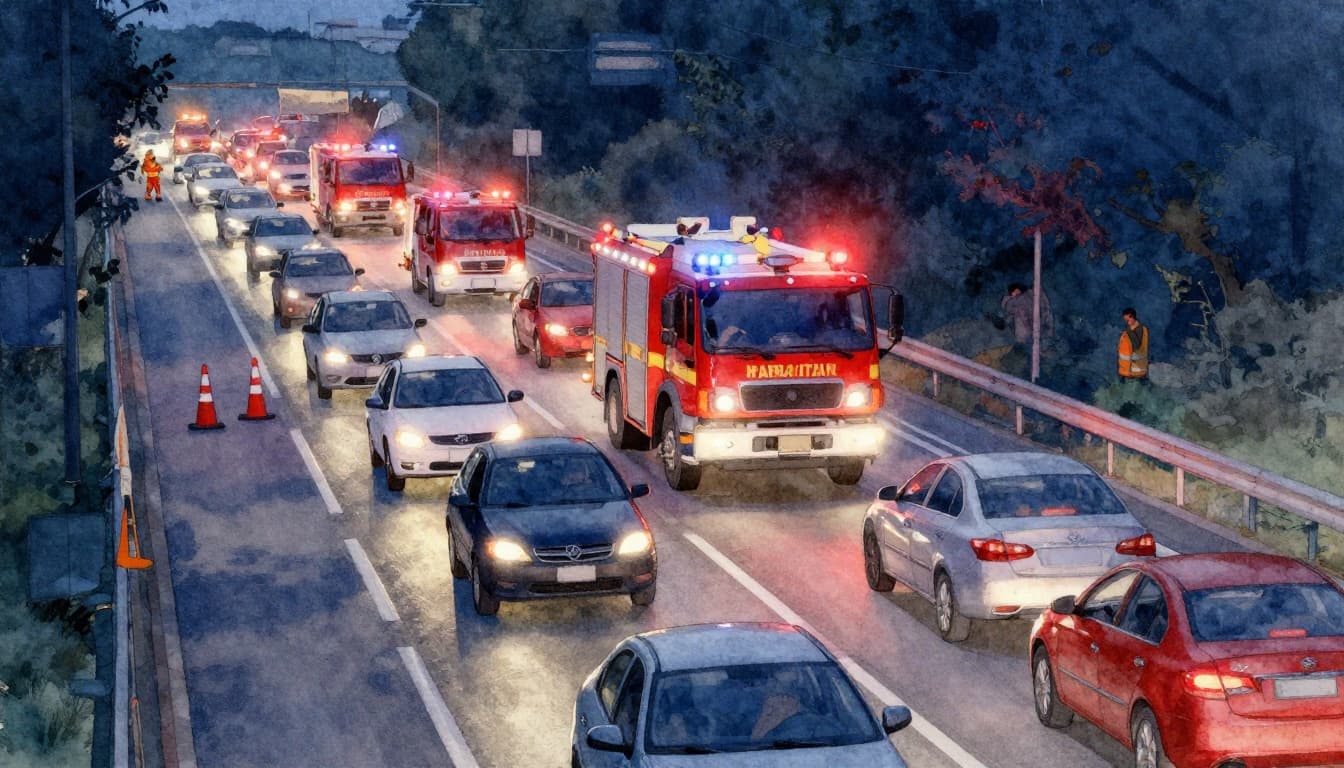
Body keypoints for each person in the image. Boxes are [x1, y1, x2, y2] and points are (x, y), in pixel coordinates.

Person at [1000, 283, 1054, 347]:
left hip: (1035, 333)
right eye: (1013, 292)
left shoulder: (1029, 296)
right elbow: (1009, 312)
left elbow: (1044, 307)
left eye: (1017, 290)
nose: (1016, 293)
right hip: (1025, 337)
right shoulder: (1012, 303)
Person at [1118, 307, 1150, 383]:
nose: (1127, 323)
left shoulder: (1138, 330)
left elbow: (1136, 345)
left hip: (1135, 373)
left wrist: (1128, 331)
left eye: (1128, 320)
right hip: (1128, 372)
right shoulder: (1132, 329)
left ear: (1132, 316)